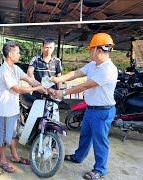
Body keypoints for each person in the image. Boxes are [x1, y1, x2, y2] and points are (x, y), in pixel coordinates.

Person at [50, 33, 117, 179]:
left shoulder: (108, 70)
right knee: (85, 135)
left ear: (98, 50)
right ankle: (78, 157)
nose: (89, 52)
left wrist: (63, 92)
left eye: (90, 49)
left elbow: (84, 86)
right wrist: (59, 78)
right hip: (91, 108)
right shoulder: (94, 65)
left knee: (100, 141)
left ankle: (99, 170)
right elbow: (76, 73)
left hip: (103, 111)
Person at [0, 41, 46, 173]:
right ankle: (2, 159)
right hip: (5, 109)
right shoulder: (4, 70)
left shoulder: (15, 68)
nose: (19, 54)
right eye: (17, 52)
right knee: (4, 137)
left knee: (12, 135)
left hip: (13, 108)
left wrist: (45, 88)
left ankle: (14, 156)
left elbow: (29, 79)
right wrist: (36, 88)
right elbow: (17, 89)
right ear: (10, 54)